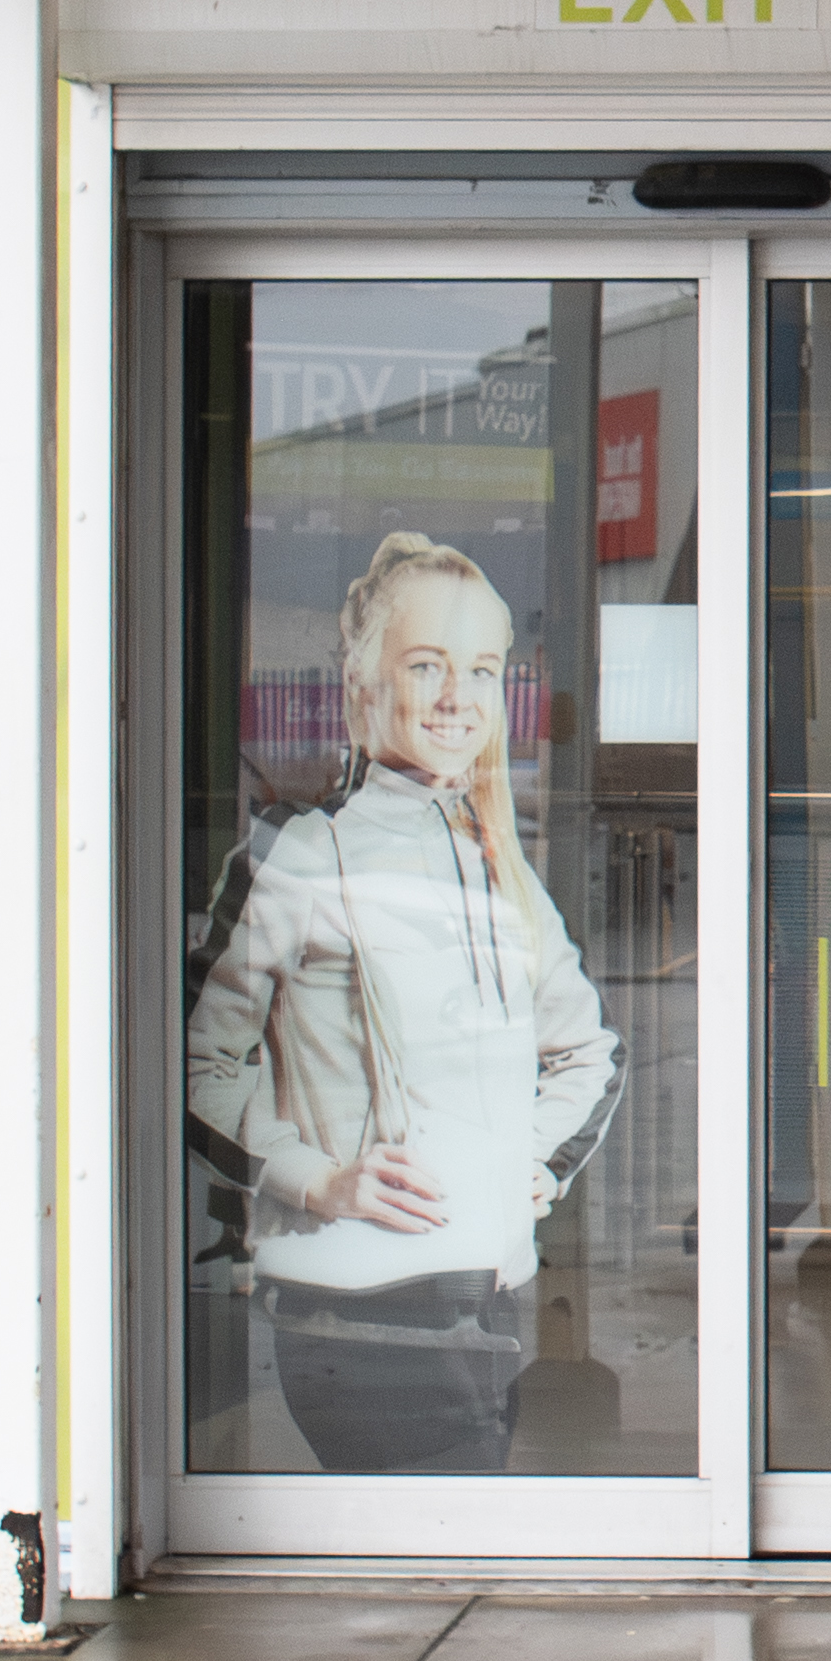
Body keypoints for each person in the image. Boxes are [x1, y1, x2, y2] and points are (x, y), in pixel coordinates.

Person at [185, 533, 623, 1472]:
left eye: (480, 669)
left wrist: (528, 1166)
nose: (458, 698)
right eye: (427, 665)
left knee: (438, 1582)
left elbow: (590, 1053)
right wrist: (316, 1178)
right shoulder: (296, 855)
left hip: (484, 1304)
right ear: (362, 683)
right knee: (443, 1566)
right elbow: (189, 1063)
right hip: (360, 1316)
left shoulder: (495, 864)